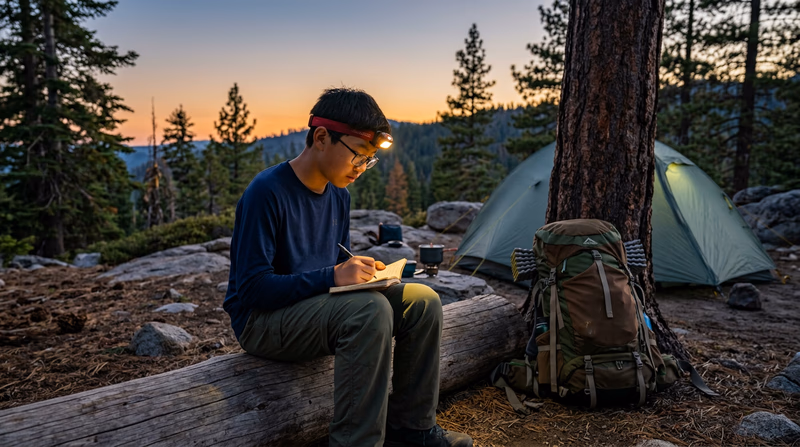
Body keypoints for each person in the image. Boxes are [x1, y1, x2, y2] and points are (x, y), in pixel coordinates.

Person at [223, 87, 473, 447]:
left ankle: (412, 431)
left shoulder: (338, 195)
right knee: (368, 312)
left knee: (422, 300)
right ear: (322, 137)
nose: (361, 168)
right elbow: (251, 289)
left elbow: (333, 260)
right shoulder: (267, 192)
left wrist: (360, 271)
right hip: (261, 321)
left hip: (314, 308)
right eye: (358, 155)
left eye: (369, 160)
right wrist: (333, 276)